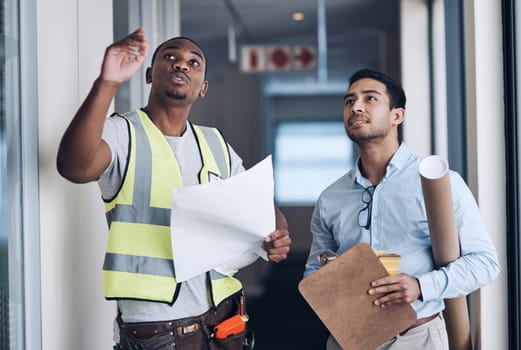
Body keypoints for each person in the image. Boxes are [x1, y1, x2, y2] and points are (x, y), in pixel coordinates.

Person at [56, 27, 291, 350]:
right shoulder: (123, 132)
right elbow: (74, 167)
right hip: (157, 329)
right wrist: (108, 83)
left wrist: (278, 233)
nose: (182, 65)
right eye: (171, 57)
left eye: (194, 63)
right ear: (150, 74)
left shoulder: (215, 142)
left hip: (223, 320)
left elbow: (260, 205)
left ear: (203, 87)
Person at [303, 68, 500, 350]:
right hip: (349, 339)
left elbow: (485, 264)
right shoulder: (330, 198)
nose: (356, 106)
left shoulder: (440, 184)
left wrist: (421, 286)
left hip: (419, 338)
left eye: (370, 99)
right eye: (349, 101)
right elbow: (312, 271)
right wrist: (331, 279)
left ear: (397, 115)